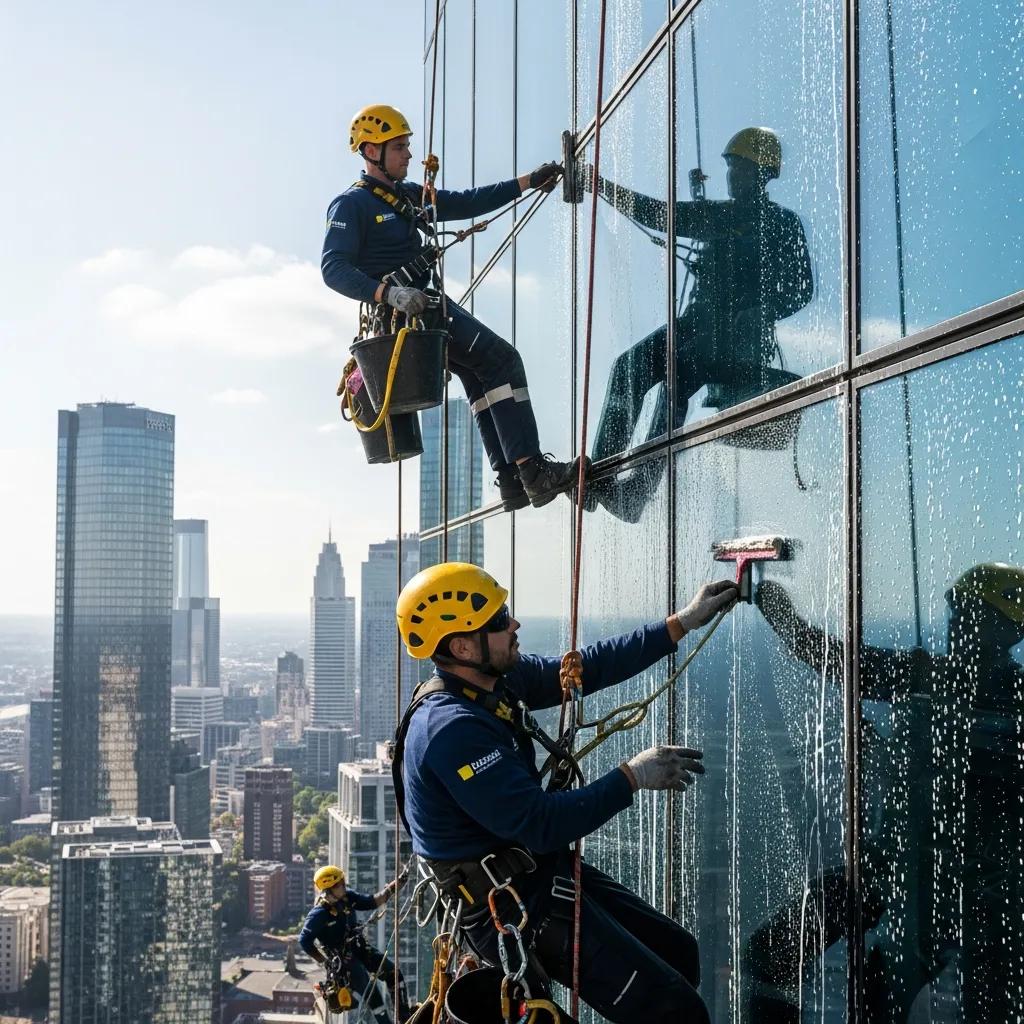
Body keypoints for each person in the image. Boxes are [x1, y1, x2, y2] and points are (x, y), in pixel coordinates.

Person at [392, 561, 739, 1024]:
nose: (513, 624)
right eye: (499, 621)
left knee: (680, 955)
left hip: (535, 874)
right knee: (677, 1013)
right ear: (462, 646)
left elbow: (583, 669)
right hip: (511, 907)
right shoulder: (451, 731)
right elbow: (542, 824)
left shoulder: (493, 685)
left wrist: (682, 622)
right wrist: (632, 776)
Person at [745, 563, 1024, 1021]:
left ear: (1001, 628)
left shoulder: (941, 682)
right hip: (922, 875)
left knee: (794, 963)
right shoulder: (939, 680)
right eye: (957, 612)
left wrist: (788, 624)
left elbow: (844, 663)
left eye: (967, 613)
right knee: (794, 962)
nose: (955, 623)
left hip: (947, 885)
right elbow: (844, 663)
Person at [323, 104, 587, 512]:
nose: (408, 155)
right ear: (371, 152)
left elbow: (468, 202)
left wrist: (528, 182)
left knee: (482, 373)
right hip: (407, 316)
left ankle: (512, 479)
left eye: (407, 146)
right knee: (503, 359)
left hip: (422, 313)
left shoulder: (408, 196)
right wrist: (386, 294)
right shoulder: (351, 205)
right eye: (399, 148)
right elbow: (333, 268)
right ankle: (532, 471)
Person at [583, 127, 813, 466]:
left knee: (676, 376)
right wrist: (601, 186)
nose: (732, 176)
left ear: (762, 174)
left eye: (741, 168)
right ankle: (600, 474)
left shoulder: (782, 223)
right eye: (731, 168)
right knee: (628, 367)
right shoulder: (719, 216)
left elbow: (801, 288)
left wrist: (762, 309)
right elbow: (658, 214)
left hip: (736, 338)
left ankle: (640, 484)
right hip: (697, 326)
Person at [299, 863, 411, 1022]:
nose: (344, 885)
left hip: (360, 948)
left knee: (394, 973)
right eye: (340, 884)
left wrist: (396, 885)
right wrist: (325, 961)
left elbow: (372, 901)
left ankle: (405, 1017)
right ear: (329, 888)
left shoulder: (347, 898)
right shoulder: (319, 914)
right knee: (373, 995)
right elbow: (304, 941)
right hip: (345, 962)